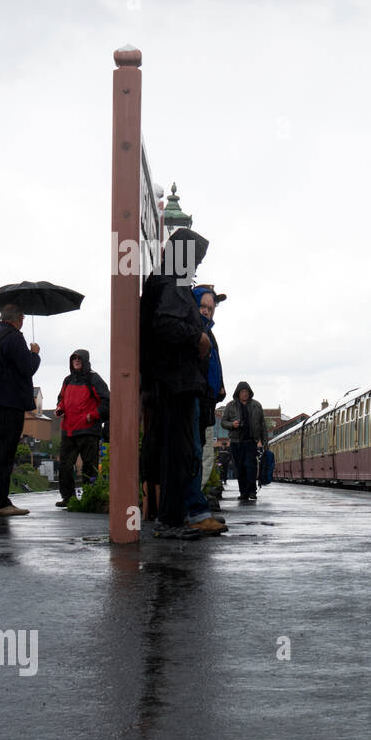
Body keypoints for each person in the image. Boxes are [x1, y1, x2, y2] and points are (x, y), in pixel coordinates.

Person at [139, 229, 227, 538]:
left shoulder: (162, 280)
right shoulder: (173, 283)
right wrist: (198, 336)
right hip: (175, 381)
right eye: (196, 258)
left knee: (176, 451)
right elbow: (166, 323)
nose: (196, 266)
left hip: (169, 381)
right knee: (179, 452)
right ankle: (171, 521)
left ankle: (172, 518)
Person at [0, 305, 41, 516]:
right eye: (23, 318)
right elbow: (27, 368)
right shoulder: (15, 337)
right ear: (19, 319)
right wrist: (34, 354)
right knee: (5, 454)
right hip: (11, 404)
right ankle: (0, 503)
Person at [53, 349, 110, 507]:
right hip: (69, 430)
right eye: (74, 358)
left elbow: (107, 400)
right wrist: (60, 408)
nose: (76, 361)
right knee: (64, 465)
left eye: (79, 358)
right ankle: (68, 497)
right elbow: (61, 398)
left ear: (85, 360)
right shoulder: (67, 380)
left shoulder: (94, 378)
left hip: (88, 431)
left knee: (89, 467)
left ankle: (90, 496)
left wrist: (94, 415)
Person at [194, 287, 225, 496]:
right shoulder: (196, 331)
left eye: (210, 308)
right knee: (199, 453)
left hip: (208, 400)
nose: (206, 311)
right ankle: (193, 504)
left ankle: (196, 499)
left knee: (204, 453)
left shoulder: (208, 333)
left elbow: (215, 364)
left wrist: (220, 385)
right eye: (202, 307)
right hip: (197, 398)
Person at [222, 381, 268, 500]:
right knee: (240, 468)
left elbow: (262, 425)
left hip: (251, 441)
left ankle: (252, 491)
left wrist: (264, 442)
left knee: (251, 466)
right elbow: (223, 422)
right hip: (236, 442)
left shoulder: (256, 405)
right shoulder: (230, 406)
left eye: (246, 392)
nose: (244, 394)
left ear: (249, 393)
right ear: (238, 393)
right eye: (242, 392)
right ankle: (243, 492)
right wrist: (232, 424)